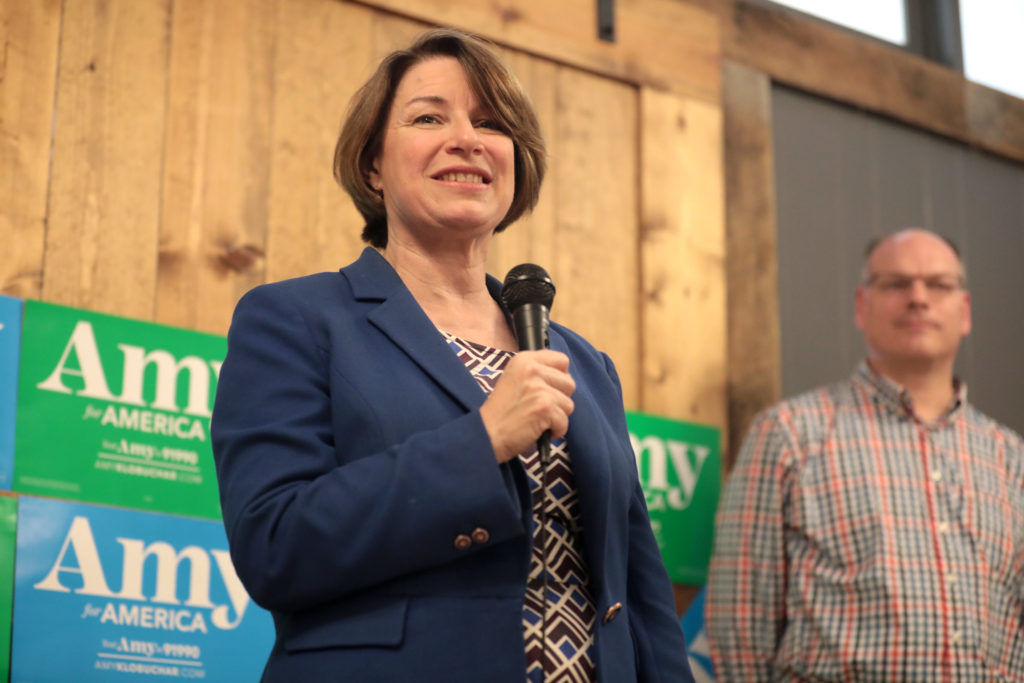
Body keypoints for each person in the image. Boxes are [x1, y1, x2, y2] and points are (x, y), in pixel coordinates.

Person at [211, 28, 692, 683]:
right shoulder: (295, 319)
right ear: (374, 165)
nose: (466, 137)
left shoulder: (582, 361)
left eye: (491, 123)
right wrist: (482, 440)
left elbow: (639, 591)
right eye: (429, 116)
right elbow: (274, 544)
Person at [706, 228, 1024, 681]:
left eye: (939, 284)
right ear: (861, 305)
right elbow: (740, 625)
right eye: (895, 283)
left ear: (965, 310)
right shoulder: (789, 436)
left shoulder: (1012, 460)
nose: (918, 298)